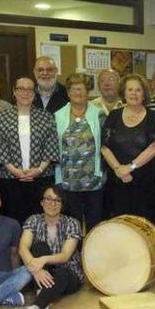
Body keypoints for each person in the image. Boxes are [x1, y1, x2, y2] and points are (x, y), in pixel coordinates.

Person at [0, 77, 59, 225]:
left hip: (41, 179)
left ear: (34, 93)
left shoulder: (45, 117)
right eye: (21, 89)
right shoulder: (3, 117)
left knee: (40, 221)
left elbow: (51, 145)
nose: (25, 93)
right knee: (13, 221)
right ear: (14, 92)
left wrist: (39, 169)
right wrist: (14, 170)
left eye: (29, 89)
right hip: (11, 180)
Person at [13, 185, 83, 309]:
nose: (52, 203)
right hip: (41, 272)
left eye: (57, 200)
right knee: (39, 247)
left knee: (63, 273)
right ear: (41, 202)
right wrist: (37, 270)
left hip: (69, 275)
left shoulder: (72, 223)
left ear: (62, 205)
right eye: (48, 199)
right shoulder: (33, 220)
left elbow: (65, 256)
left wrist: (43, 260)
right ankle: (43, 302)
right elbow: (23, 248)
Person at [100, 74, 155, 225]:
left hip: (145, 183)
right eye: (130, 90)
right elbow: (104, 146)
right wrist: (118, 168)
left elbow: (154, 147)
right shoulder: (114, 116)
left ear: (144, 94)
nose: (134, 93)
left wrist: (130, 167)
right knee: (118, 224)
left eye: (138, 90)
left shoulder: (153, 117)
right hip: (117, 181)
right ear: (124, 92)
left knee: (144, 225)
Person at [54, 73, 106, 232]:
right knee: (72, 224)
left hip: (94, 179)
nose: (78, 93)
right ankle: (73, 254)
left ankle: (92, 254)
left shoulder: (99, 114)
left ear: (87, 92)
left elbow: (106, 144)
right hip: (68, 180)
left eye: (81, 89)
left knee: (95, 223)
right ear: (68, 93)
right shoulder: (57, 115)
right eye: (74, 89)